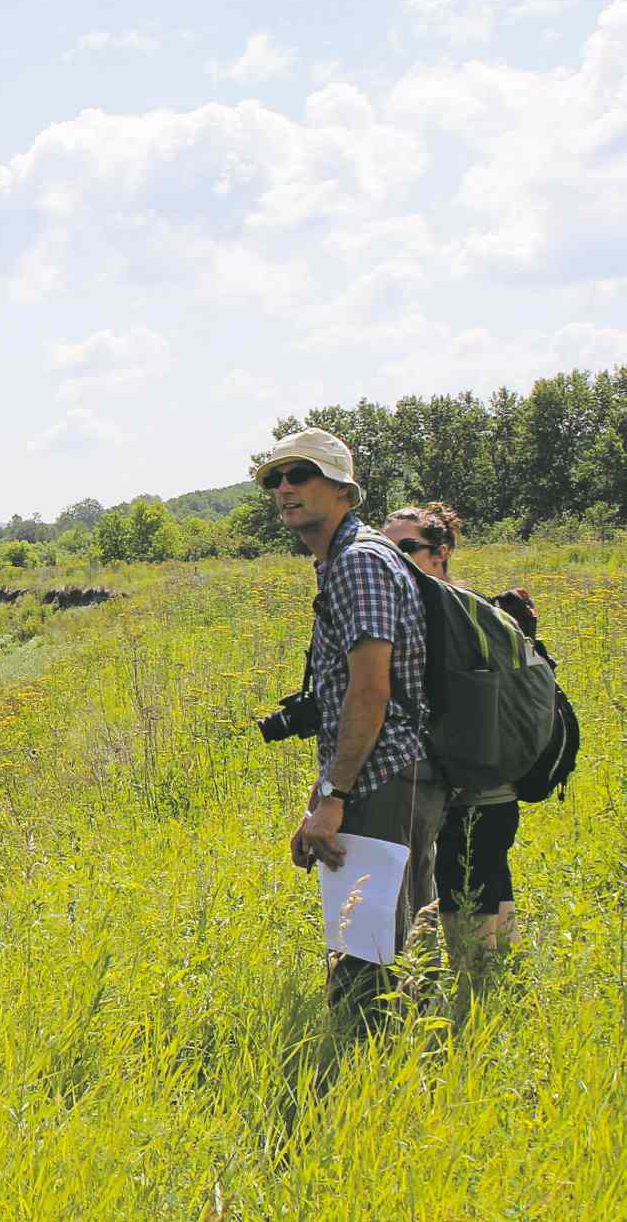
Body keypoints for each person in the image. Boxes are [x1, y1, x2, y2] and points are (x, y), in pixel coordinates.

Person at [258, 429, 446, 1024]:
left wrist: (337, 795)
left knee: (374, 955)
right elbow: (348, 700)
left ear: (343, 488)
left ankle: (375, 1076)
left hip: (387, 775)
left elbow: (371, 691)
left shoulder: (359, 563)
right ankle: (395, 1064)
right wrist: (322, 797)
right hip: (380, 775)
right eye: (274, 479)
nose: (285, 488)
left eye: (301, 475)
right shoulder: (344, 558)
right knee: (386, 939)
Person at [383, 503, 523, 957]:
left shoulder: (454, 614)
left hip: (475, 780)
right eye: (389, 551)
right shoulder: (458, 606)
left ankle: (475, 1000)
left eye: (408, 548)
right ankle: (502, 983)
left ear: (441, 552)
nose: (398, 560)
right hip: (485, 778)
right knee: (489, 878)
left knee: (467, 886)